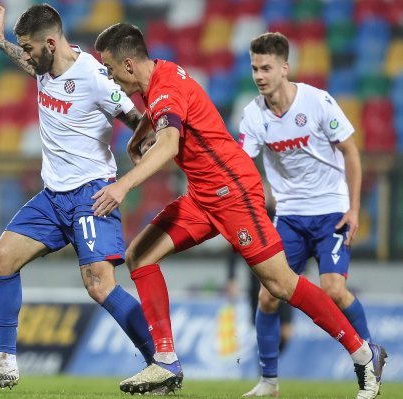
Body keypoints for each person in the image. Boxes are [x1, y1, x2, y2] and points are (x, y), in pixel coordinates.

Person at [92, 23, 386, 399]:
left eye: (111, 68)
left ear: (129, 64)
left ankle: (364, 354)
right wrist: (136, 138)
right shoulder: (160, 75)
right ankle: (165, 360)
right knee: (140, 256)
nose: (110, 76)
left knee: (280, 284)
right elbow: (159, 113)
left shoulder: (164, 86)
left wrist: (123, 184)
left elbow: (168, 144)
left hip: (234, 193)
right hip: (202, 196)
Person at [0, 4, 156, 392]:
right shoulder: (45, 68)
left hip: (92, 193)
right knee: (1, 260)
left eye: (28, 48)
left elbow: (136, 118)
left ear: (50, 42)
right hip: (53, 196)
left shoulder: (97, 77)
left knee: (99, 284)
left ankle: (160, 361)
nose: (26, 56)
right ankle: (4, 362)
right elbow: (29, 65)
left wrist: (138, 151)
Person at [238, 32, 373, 397]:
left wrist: (354, 208)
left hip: (331, 210)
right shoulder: (253, 116)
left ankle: (371, 361)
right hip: (290, 215)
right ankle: (268, 382)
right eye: (254, 68)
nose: (259, 76)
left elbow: (351, 151)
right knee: (268, 296)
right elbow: (240, 165)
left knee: (333, 289)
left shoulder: (317, 102)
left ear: (285, 67)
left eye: (266, 68)